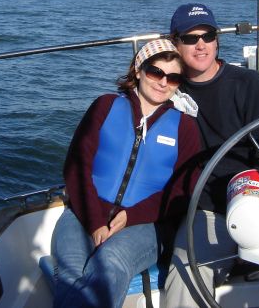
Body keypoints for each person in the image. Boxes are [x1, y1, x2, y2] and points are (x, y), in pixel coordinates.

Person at [51, 38, 202, 308]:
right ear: (138, 71)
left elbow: (183, 190)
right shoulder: (105, 106)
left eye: (173, 78)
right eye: (155, 72)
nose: (163, 82)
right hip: (83, 212)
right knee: (71, 273)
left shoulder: (185, 127)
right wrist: (95, 221)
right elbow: (77, 165)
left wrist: (132, 216)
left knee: (111, 262)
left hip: (148, 225)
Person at [164, 3, 259, 307]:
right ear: (175, 44)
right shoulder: (166, 90)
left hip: (257, 201)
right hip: (204, 211)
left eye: (208, 35)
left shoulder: (250, 84)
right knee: (185, 274)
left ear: (217, 40)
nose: (201, 44)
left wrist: (255, 210)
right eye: (190, 38)